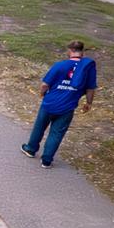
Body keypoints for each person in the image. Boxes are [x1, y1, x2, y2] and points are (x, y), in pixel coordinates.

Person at [20, 40, 99, 168]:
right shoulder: (87, 69)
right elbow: (91, 88)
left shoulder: (60, 65)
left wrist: (42, 93)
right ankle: (46, 160)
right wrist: (89, 103)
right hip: (67, 107)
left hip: (49, 103)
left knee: (39, 127)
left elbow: (45, 84)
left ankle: (30, 149)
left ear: (70, 51)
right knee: (56, 133)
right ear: (82, 52)